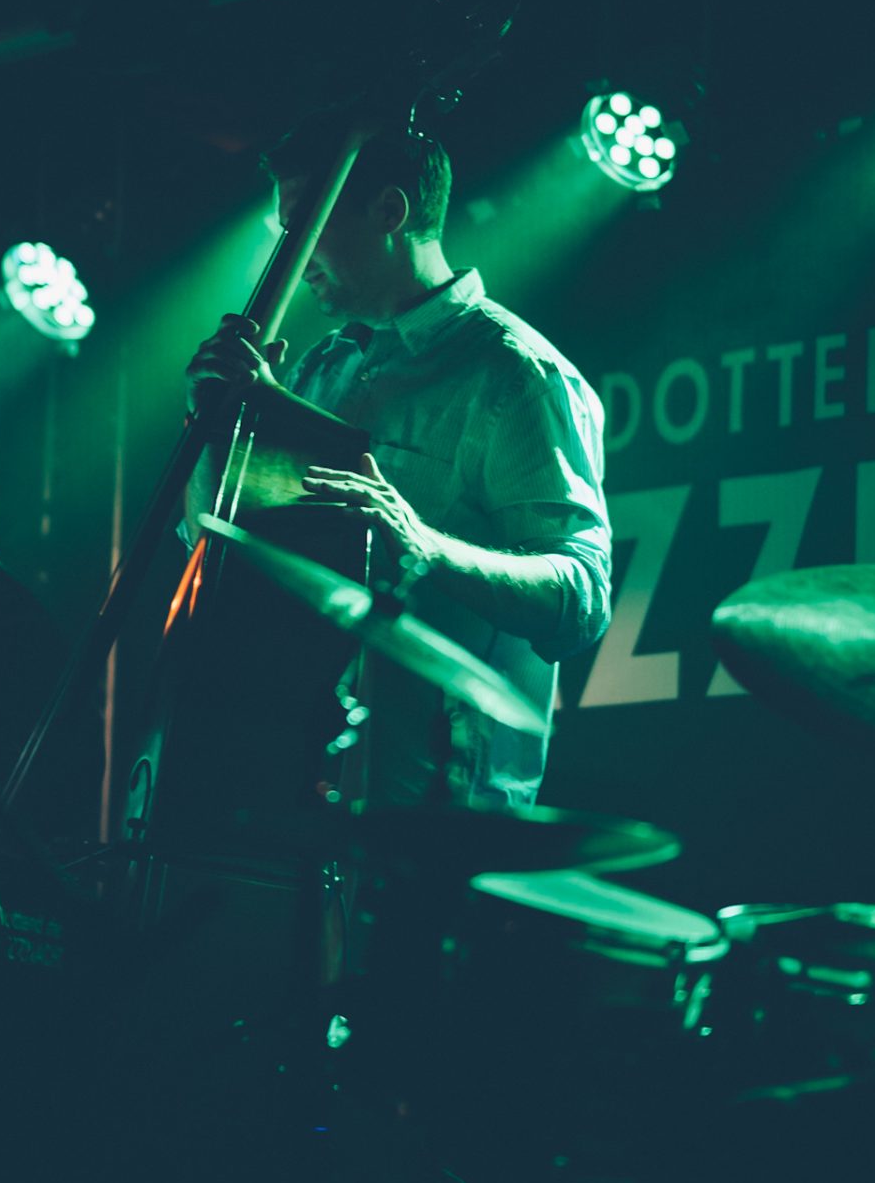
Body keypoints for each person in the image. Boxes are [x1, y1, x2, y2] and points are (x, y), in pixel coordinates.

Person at [184, 121, 611, 809]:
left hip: (440, 815)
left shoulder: (517, 375)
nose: (288, 255)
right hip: (293, 791)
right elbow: (217, 554)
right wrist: (216, 429)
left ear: (389, 211)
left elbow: (582, 599)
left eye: (304, 230)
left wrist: (423, 545)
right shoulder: (323, 367)